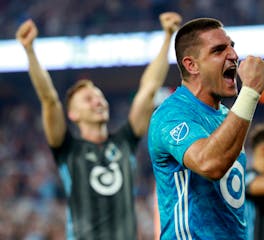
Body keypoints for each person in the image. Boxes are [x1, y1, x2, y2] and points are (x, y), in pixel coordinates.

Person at [15, 12, 182, 240]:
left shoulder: (126, 141)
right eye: (87, 99)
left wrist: (167, 37)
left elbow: (149, 88)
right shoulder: (68, 150)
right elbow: (49, 99)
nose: (97, 101)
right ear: (72, 114)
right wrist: (30, 51)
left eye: (99, 96)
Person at [148, 17, 264, 239]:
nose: (233, 55)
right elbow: (210, 164)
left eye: (232, 46)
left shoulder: (226, 117)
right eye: (218, 50)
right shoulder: (170, 115)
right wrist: (251, 90)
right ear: (191, 65)